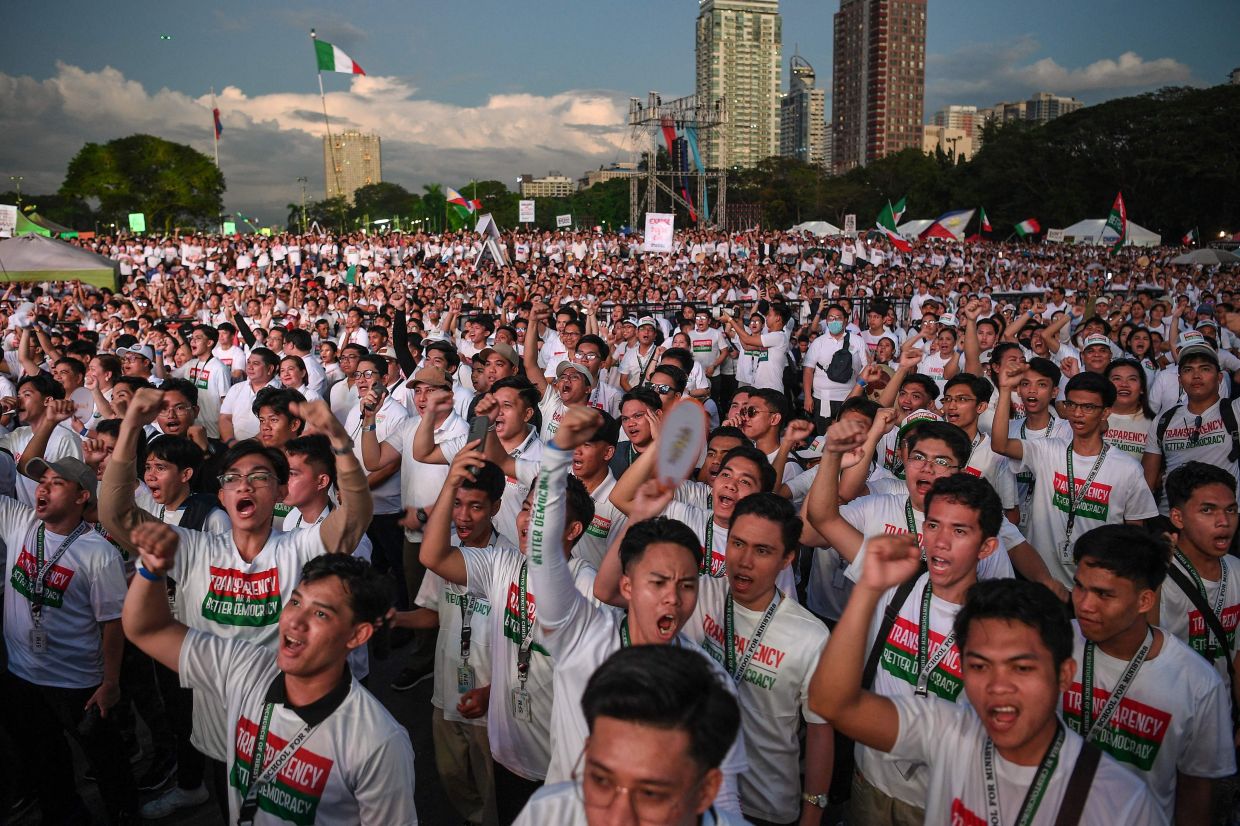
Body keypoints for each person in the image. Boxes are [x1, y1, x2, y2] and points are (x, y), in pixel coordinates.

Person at [99, 389, 373, 796]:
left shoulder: (299, 547)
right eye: (232, 479)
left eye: (260, 477)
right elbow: (117, 515)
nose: (245, 485)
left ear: (280, 493)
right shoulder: (192, 548)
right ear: (222, 494)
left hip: (290, 735)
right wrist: (130, 429)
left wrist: (340, 443)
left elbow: (354, 516)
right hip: (220, 737)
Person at [810, 557, 1164, 826]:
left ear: (1064, 674)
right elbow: (831, 703)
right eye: (979, 666)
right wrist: (870, 589)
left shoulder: (1121, 801)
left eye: (1022, 668)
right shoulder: (947, 729)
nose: (998, 686)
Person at [521, 406, 748, 814]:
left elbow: (723, 796)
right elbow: (543, 556)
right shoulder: (583, 635)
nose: (673, 599)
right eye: (657, 583)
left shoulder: (710, 681)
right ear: (627, 586)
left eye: (687, 585)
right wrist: (556, 456)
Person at [121, 531, 419, 824]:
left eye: (321, 615)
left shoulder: (378, 742)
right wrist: (150, 570)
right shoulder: (245, 668)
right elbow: (147, 629)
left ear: (357, 634)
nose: (296, 622)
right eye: (296, 602)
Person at [418, 439, 597, 825]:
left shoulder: (587, 592)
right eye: (529, 508)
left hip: (559, 765)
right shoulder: (502, 565)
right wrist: (451, 484)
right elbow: (432, 556)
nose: (529, 521)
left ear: (573, 530)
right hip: (507, 753)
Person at [0, 455, 138, 824]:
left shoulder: (98, 552)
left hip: (78, 682)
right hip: (22, 675)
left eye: (56, 482)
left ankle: (124, 815)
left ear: (81, 497)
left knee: (106, 762)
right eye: (42, 480)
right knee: (45, 760)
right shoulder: (20, 522)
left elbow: (112, 623)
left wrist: (110, 683)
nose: (43, 487)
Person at [1067, 524, 1233, 823]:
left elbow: (1195, 791)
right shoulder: (1051, 644)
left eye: (1104, 594)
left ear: (1145, 600)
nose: (1084, 605)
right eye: (1079, 587)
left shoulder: (1197, 683)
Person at [393, 458, 511, 826]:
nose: (463, 516)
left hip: (489, 701)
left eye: (475, 506)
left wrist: (495, 690)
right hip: (447, 692)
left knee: (494, 792)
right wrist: (393, 619)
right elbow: (432, 613)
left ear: (496, 507)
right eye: (457, 504)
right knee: (453, 778)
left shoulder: (508, 562)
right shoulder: (446, 555)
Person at [513, 646, 749, 826]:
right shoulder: (546, 815)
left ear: (705, 791)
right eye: (601, 780)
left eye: (650, 794)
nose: (616, 819)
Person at [991, 369, 1158, 591]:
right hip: (1042, 582)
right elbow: (1000, 445)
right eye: (1072, 405)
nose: (1077, 413)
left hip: (1095, 587)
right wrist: (1004, 390)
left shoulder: (1128, 469)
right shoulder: (1047, 450)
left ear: (1105, 412)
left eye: (1088, 407)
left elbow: (1134, 535)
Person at [1158, 462, 1240, 691]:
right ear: (1177, 517)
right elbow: (1142, 649)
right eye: (1208, 510)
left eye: (1231, 510)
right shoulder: (1157, 575)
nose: (1224, 521)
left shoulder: (1237, 572)